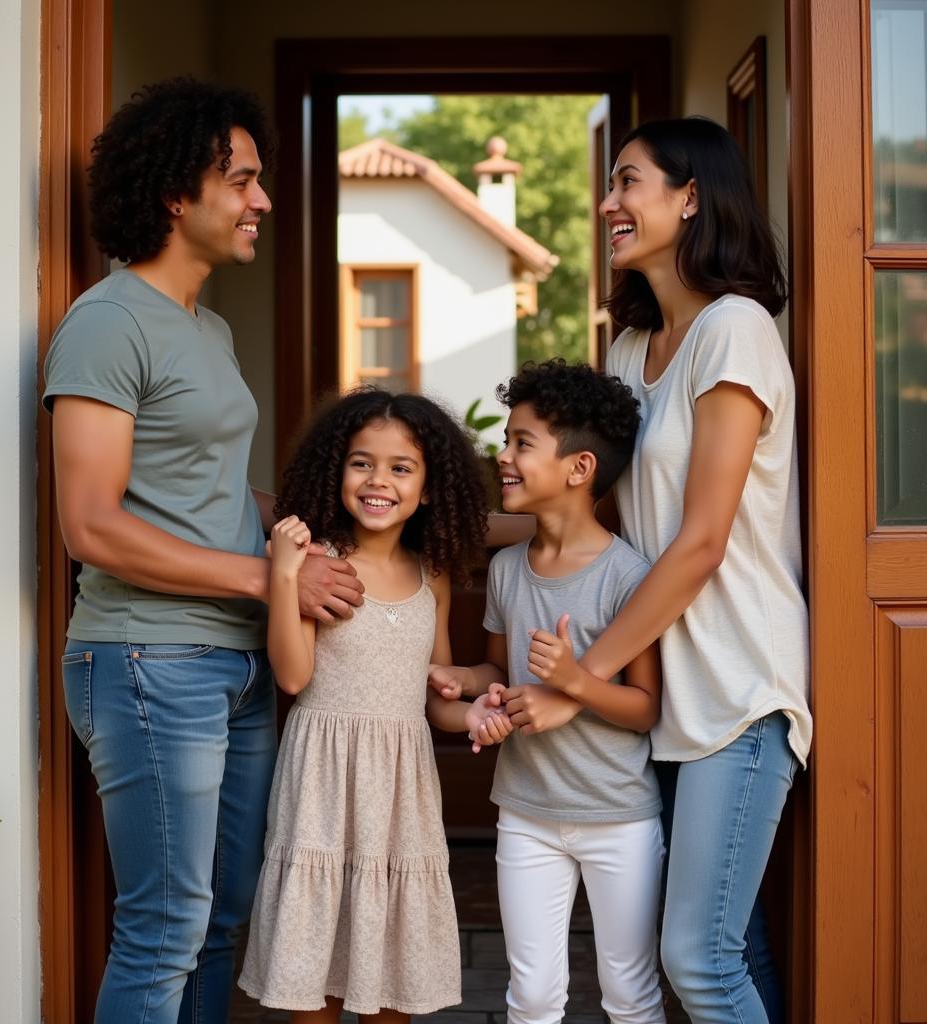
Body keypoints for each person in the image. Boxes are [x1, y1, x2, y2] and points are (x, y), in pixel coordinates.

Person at [42, 78, 363, 1024]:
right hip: (149, 661)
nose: (262, 200)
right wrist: (272, 579)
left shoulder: (207, 328)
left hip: (238, 661)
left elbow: (207, 492)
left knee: (224, 920)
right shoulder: (107, 323)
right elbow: (91, 524)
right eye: (244, 180)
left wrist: (331, 532)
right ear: (179, 193)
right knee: (165, 925)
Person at [538, 117, 812, 1023]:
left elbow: (700, 541)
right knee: (732, 950)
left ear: (690, 198)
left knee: (696, 958)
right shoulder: (630, 349)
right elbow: (592, 510)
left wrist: (586, 676)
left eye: (629, 182)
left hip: (736, 688)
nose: (608, 202)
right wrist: (424, 529)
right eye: (611, 185)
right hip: (664, 693)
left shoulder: (735, 332)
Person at [239, 388, 500, 1023]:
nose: (378, 480)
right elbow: (294, 675)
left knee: (391, 987)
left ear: (429, 487)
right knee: (315, 980)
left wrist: (464, 712)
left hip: (400, 791)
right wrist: (284, 574)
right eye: (361, 463)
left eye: (400, 467)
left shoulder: (430, 572)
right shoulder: (321, 562)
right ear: (337, 472)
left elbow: (433, 690)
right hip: (323, 787)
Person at [431, 359, 667, 1024]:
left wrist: (574, 682)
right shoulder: (506, 570)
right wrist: (467, 684)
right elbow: (498, 672)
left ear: (579, 468)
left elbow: (644, 708)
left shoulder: (630, 575)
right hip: (527, 814)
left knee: (628, 991)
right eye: (506, 440)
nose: (502, 456)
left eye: (520, 443)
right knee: (531, 995)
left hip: (619, 817)